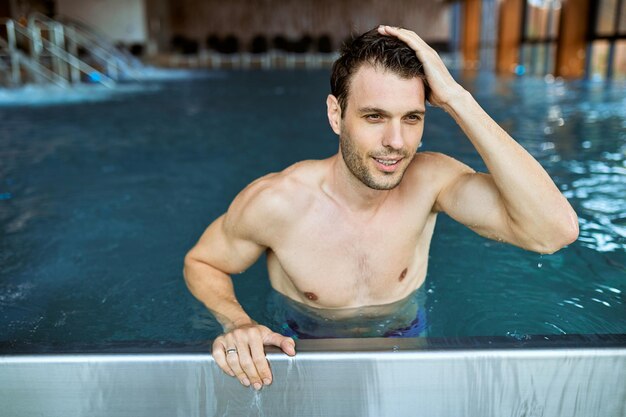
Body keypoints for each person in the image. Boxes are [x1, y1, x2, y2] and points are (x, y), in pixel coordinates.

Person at [183, 25, 579, 390]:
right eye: (375, 116)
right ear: (336, 115)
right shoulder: (278, 202)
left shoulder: (431, 182)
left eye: (412, 118)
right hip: (302, 363)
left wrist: (458, 99)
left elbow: (553, 232)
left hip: (405, 360)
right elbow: (203, 263)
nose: (396, 141)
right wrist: (238, 322)